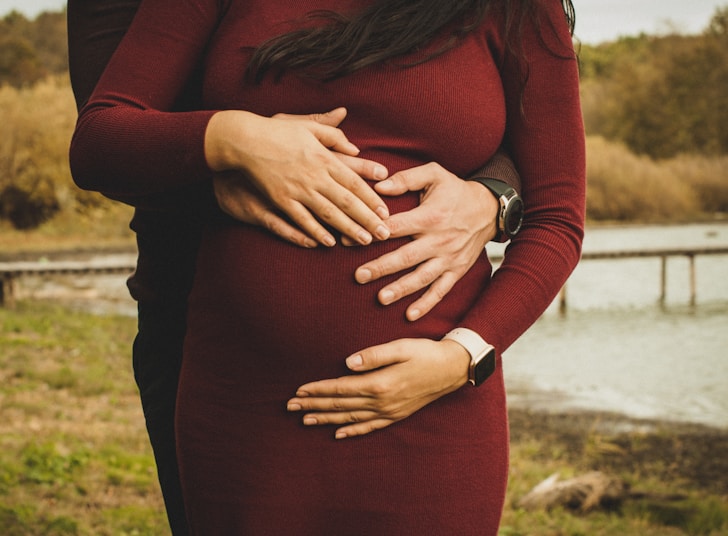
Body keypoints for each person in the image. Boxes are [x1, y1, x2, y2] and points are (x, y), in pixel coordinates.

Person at [70, 0, 585, 533]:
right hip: (244, 404)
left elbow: (558, 220)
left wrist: (464, 357)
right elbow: (100, 140)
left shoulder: (517, 7)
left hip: (433, 407)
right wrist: (234, 138)